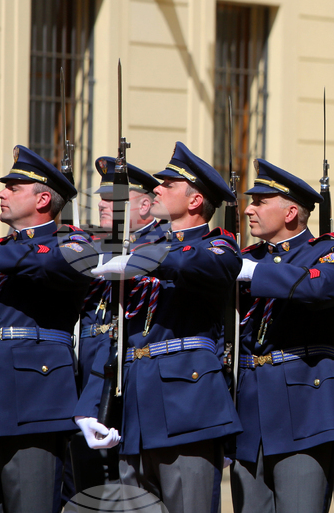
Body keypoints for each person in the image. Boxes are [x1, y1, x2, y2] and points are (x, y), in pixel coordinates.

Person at [75, 141, 242, 512]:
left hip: (188, 406)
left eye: (169, 184)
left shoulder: (219, 246)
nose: (158, 189)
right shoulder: (140, 252)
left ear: (195, 200)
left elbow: (193, 265)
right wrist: (90, 406)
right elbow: (114, 337)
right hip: (134, 409)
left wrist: (141, 255)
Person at [230, 158, 334, 513]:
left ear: (289, 213)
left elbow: (325, 288)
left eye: (259, 202)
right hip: (250, 411)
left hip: (305, 408)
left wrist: (256, 272)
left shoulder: (330, 252)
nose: (249, 209)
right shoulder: (245, 257)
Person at [0, 145, 97, 512]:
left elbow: (53, 265)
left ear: (43, 198)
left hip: (33, 401)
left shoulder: (73, 243)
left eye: (13, 187)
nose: (1, 193)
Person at [69, 157, 165, 493]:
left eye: (114, 199)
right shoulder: (95, 247)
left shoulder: (160, 247)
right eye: (102, 197)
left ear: (144, 204)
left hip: (130, 387)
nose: (103, 204)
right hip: (87, 386)